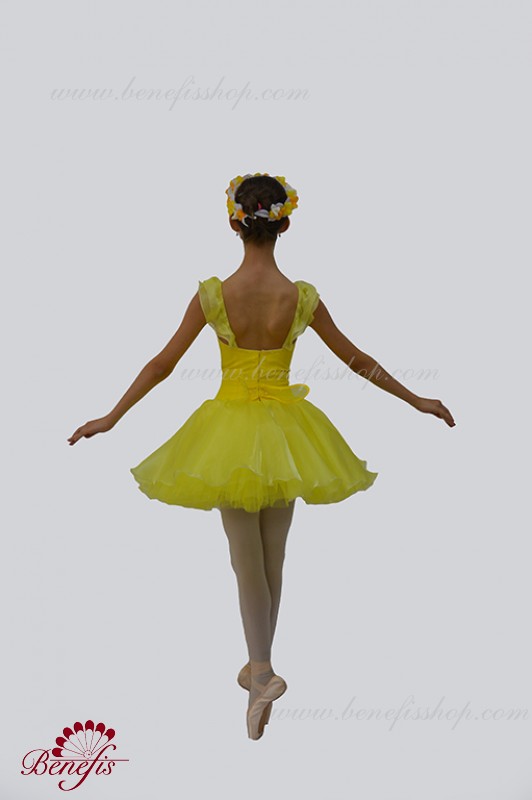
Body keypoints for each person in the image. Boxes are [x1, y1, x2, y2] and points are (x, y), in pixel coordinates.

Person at [67, 172, 455, 740]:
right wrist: (415, 399)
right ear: (285, 224)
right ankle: (258, 671)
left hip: (227, 431)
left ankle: (263, 672)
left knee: (244, 560)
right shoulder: (300, 297)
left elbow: (162, 365)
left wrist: (111, 417)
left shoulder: (214, 295)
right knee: (274, 558)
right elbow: (357, 360)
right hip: (286, 432)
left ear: (234, 222)